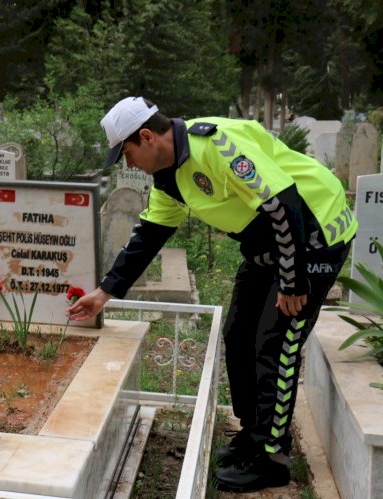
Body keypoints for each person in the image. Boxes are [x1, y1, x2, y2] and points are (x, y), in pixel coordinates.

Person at [67, 97, 356, 493]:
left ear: (147, 137)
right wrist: (104, 292)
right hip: (266, 244)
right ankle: (253, 434)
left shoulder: (217, 147)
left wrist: (292, 282)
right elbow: (149, 235)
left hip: (313, 235)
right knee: (238, 333)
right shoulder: (169, 178)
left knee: (275, 344)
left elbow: (283, 205)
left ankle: (272, 458)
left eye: (127, 153)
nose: (128, 164)